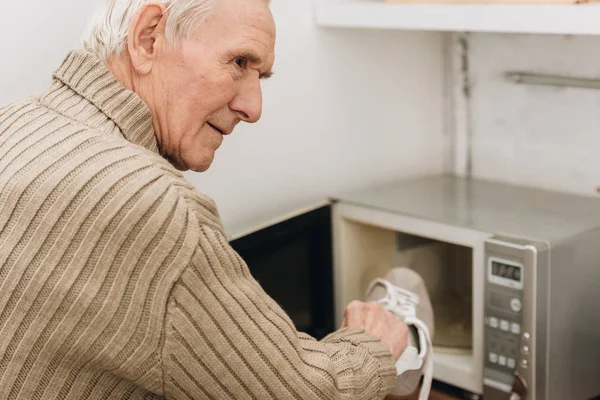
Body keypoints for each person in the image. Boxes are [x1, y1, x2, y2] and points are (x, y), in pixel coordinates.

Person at [0, 0, 432, 398]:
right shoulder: (154, 206)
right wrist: (374, 343)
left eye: (260, 76)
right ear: (148, 37)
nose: (254, 107)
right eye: (240, 62)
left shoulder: (14, 122)